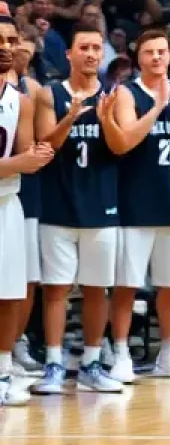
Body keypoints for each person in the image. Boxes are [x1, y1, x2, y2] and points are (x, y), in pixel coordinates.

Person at [107, 28, 170, 383]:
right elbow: (128, 139)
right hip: (135, 203)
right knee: (126, 285)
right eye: (149, 52)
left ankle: (169, 353)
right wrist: (163, 104)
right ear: (139, 57)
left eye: (162, 51)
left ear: (169, 54)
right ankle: (120, 353)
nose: (156, 57)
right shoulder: (126, 92)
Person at [31, 26, 126, 394]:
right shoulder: (48, 94)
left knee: (96, 290)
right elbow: (45, 145)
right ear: (68, 54)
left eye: (96, 48)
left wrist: (103, 119)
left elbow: (120, 148)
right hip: (58, 204)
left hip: (101, 205)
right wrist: (70, 116)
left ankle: (91, 362)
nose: (90, 54)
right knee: (55, 290)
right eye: (83, 47)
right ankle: (54, 363)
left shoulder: (113, 96)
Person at [0, 13, 54, 405]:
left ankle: (3, 372)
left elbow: (28, 157)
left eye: (10, 41)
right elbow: (20, 162)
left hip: (7, 203)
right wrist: (21, 163)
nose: (6, 48)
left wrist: (35, 155)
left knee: (9, 294)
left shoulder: (21, 101)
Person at [8, 26, 46, 376]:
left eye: (14, 42)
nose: (12, 49)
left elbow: (33, 150)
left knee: (18, 283)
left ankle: (10, 357)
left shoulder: (26, 95)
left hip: (17, 198)